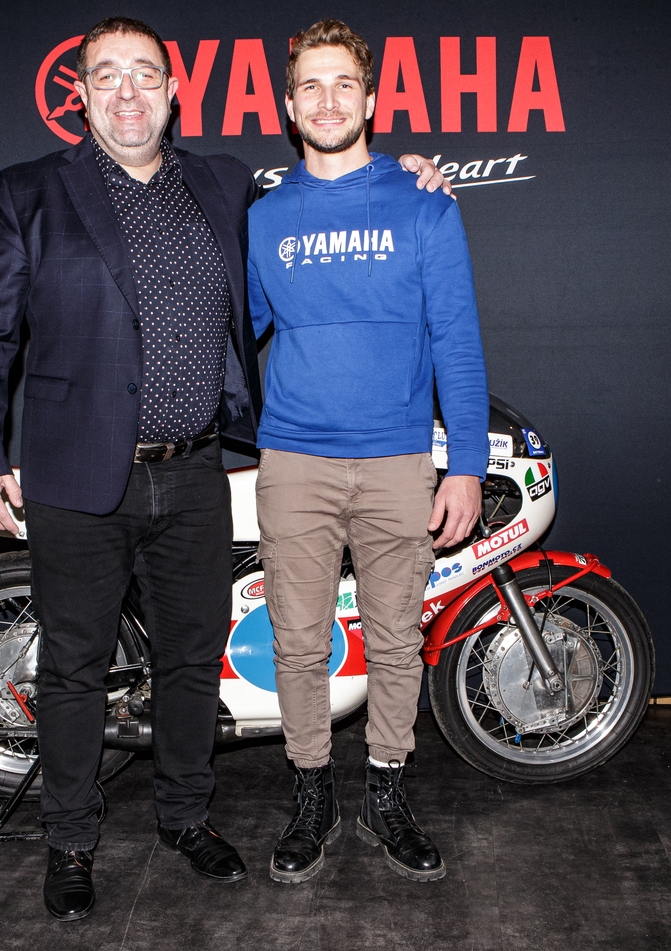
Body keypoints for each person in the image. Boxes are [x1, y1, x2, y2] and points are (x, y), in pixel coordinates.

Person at [0, 16, 448, 920]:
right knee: (74, 667)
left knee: (189, 660)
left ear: (174, 92)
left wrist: (408, 171)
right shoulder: (30, 191)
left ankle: (185, 817)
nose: (128, 91)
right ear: (82, 94)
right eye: (108, 75)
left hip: (194, 472)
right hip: (76, 476)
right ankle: (71, 838)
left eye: (146, 73)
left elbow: (328, 196)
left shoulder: (223, 183)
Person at [247, 19, 490, 885]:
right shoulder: (264, 219)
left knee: (394, 641)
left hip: (397, 463)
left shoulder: (424, 205)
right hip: (294, 463)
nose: (327, 100)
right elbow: (235, 334)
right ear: (289, 105)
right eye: (310, 86)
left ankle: (387, 792)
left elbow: (457, 340)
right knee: (298, 642)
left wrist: (466, 464)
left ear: (371, 98)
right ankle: (312, 794)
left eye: (343, 83)